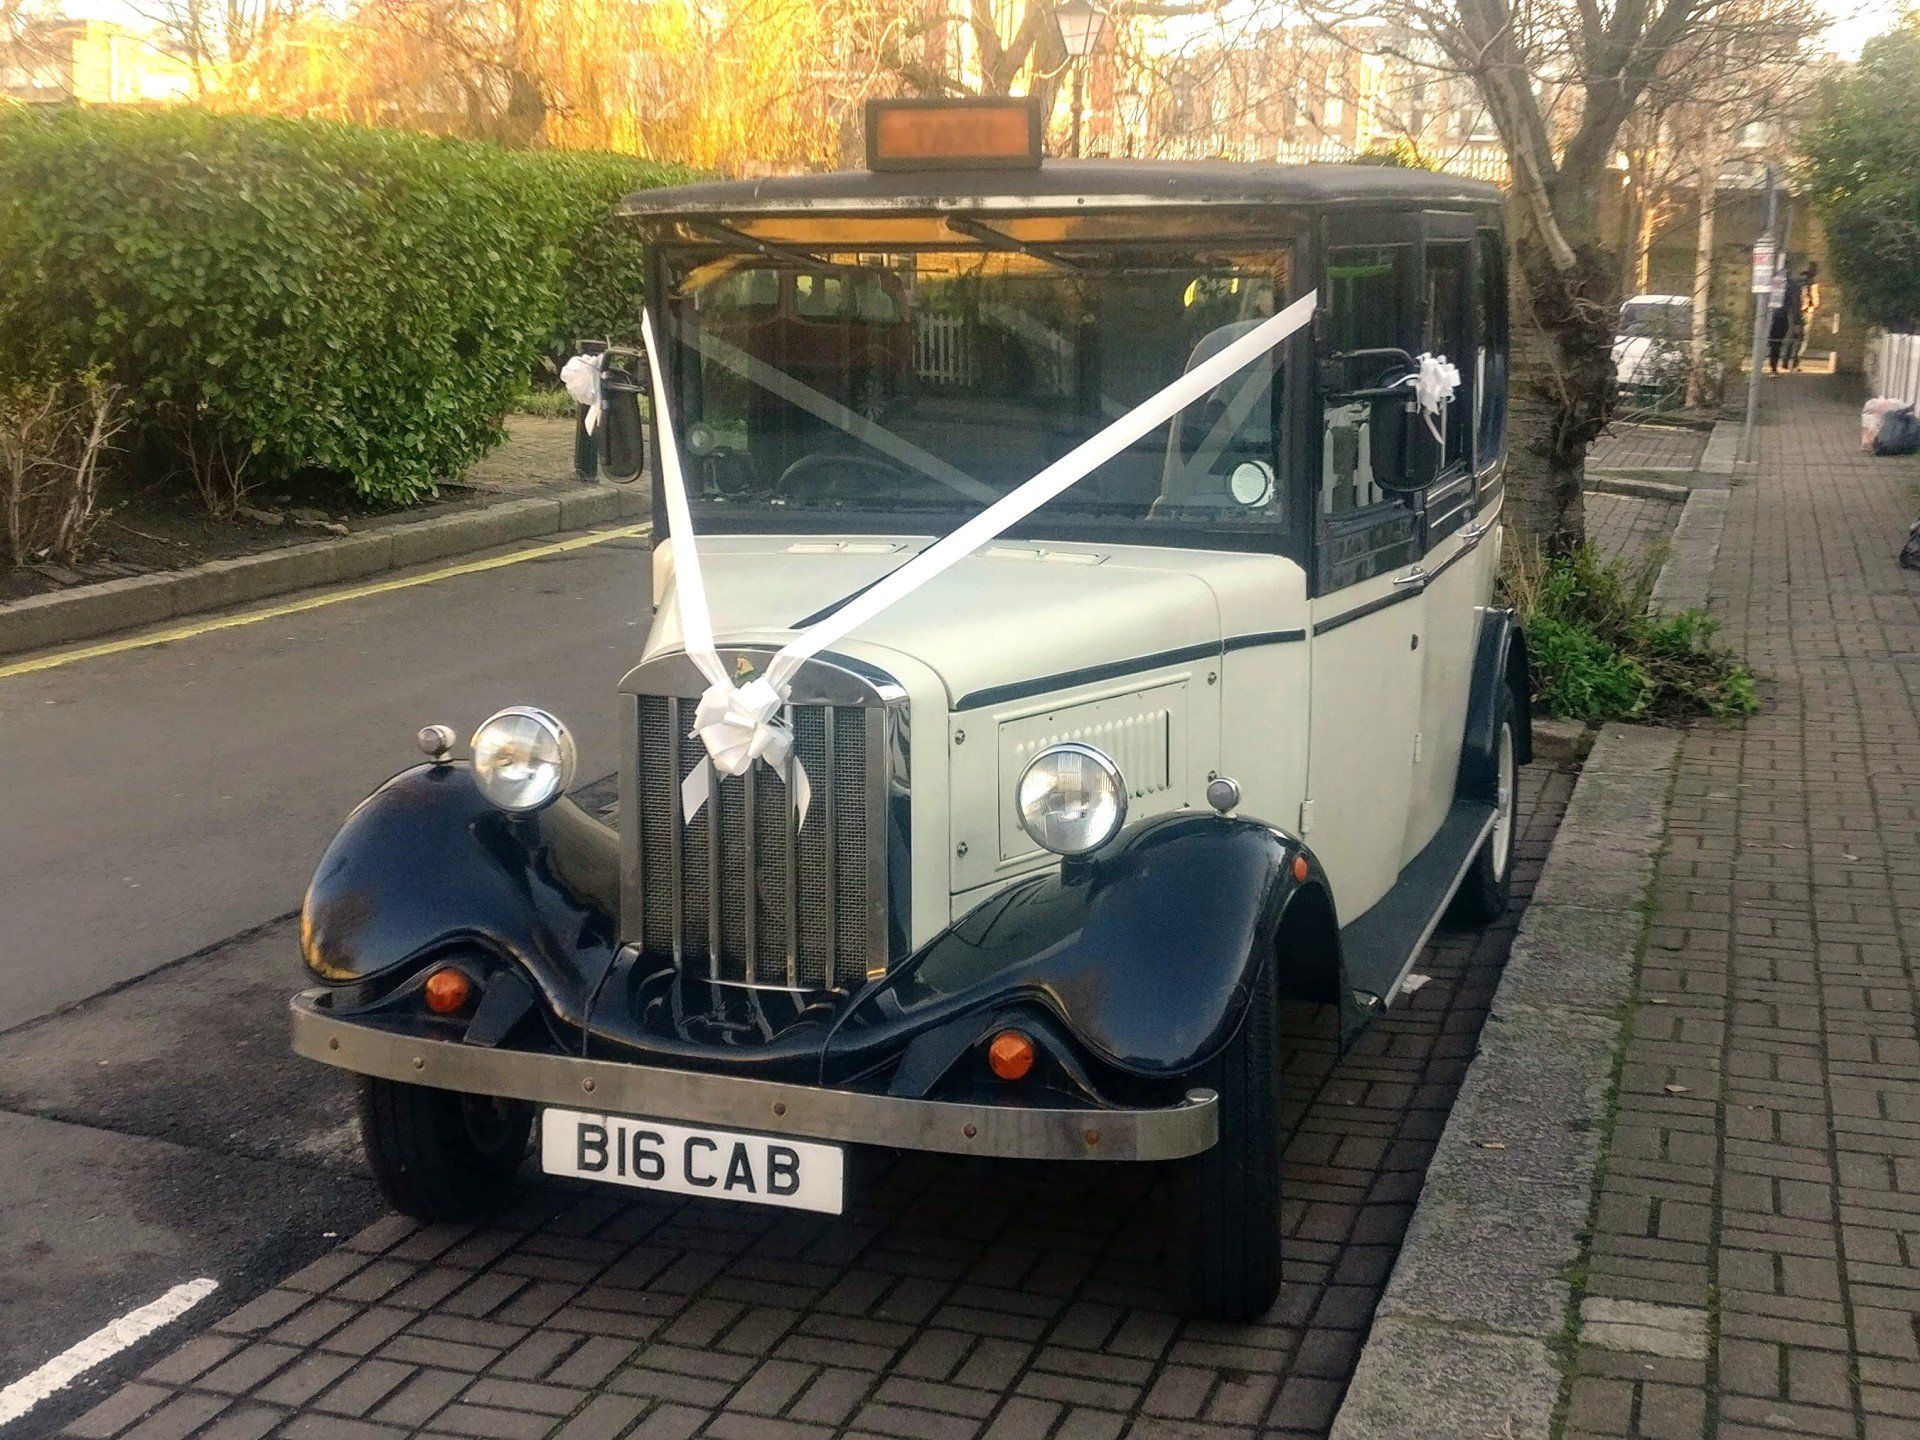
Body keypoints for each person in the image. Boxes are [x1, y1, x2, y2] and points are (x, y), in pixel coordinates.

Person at [1767, 258, 1802, 374]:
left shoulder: (1772, 281)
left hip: (1771, 315)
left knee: (1774, 342)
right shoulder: (1791, 284)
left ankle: (1773, 364)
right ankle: (1773, 366)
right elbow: (1795, 302)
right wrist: (1797, 320)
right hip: (1781, 316)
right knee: (1777, 341)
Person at [1785, 261, 1819, 371]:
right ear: (1813, 271)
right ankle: (1796, 362)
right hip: (1806, 313)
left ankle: (1786, 360)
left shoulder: (1797, 281)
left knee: (1793, 336)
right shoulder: (1812, 283)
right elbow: (1815, 302)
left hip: (1794, 312)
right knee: (1802, 339)